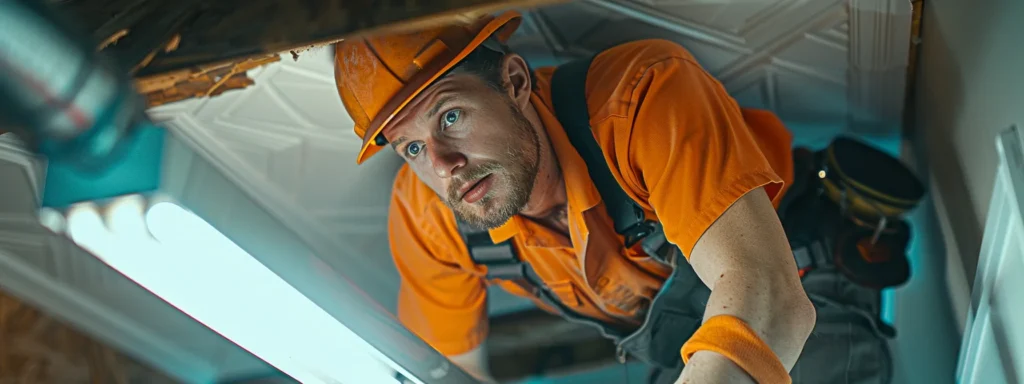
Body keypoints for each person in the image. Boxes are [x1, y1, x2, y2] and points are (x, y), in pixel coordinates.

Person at [333, 10, 816, 384]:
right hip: (691, 346)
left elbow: (769, 292)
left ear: (515, 83)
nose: (442, 165)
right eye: (413, 147)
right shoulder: (426, 215)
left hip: (796, 279)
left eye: (451, 117)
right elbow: (452, 373)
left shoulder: (641, 100)